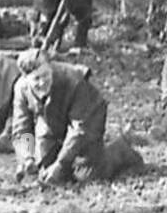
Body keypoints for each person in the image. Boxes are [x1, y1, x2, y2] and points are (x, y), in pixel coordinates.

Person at [12, 49, 141, 185]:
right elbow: (21, 127)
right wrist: (27, 158)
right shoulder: (21, 88)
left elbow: (80, 130)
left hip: (88, 116)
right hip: (54, 117)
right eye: (36, 79)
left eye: (45, 75)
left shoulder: (75, 81)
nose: (42, 82)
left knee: (86, 175)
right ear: (26, 79)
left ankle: (119, 150)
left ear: (51, 68)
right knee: (44, 168)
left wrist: (60, 163)